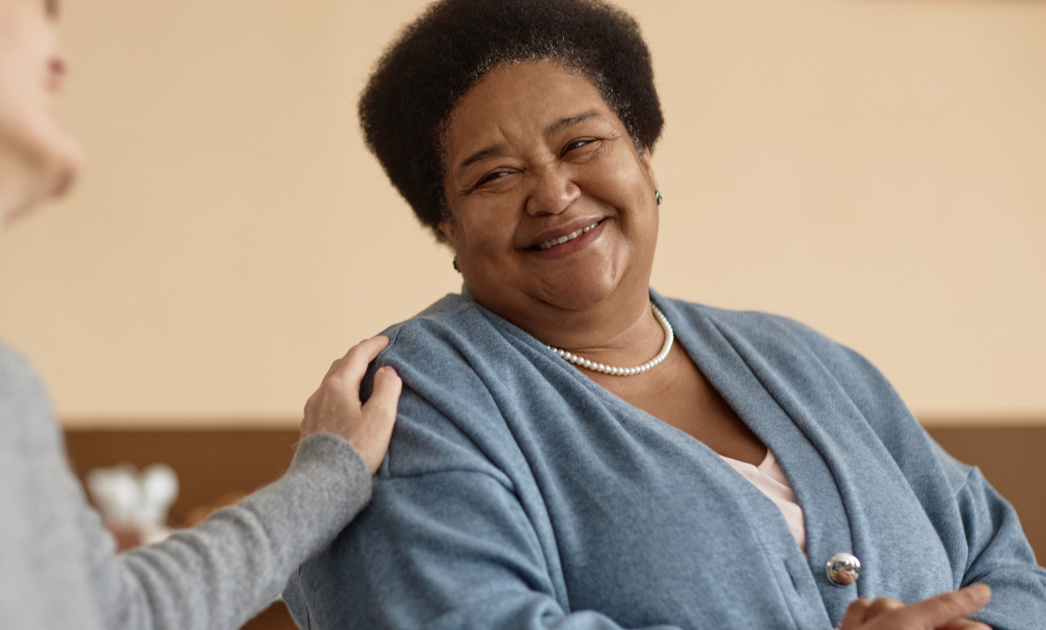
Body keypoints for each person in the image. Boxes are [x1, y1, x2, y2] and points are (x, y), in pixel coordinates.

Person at [282, 1, 1046, 629]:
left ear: (644, 159)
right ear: (444, 225)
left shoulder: (804, 360)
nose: (552, 194)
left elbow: (1004, 566)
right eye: (496, 175)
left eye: (582, 142)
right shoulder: (415, 400)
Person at [0, 0, 402, 628]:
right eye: (42, 7)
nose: (65, 53)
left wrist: (330, 474)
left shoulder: (1, 388)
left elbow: (116, 612)